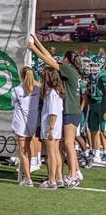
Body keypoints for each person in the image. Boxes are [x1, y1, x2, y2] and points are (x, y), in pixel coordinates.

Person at [28, 34, 82, 188]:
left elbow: (49, 61)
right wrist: (37, 42)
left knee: (69, 144)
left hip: (71, 111)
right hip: (72, 110)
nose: (61, 60)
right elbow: (50, 58)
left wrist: (33, 48)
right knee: (63, 144)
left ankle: (74, 174)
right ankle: (70, 173)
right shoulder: (71, 71)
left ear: (68, 60)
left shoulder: (69, 70)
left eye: (63, 58)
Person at [11, 66, 40, 186]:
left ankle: (28, 178)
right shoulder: (38, 89)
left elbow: (13, 103)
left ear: (21, 76)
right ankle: (29, 173)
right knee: (27, 148)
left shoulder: (17, 89)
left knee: (22, 151)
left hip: (21, 122)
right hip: (32, 121)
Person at [39, 67, 65, 189]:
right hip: (54, 126)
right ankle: (58, 178)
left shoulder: (52, 94)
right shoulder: (55, 91)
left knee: (51, 154)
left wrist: (51, 129)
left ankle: (52, 180)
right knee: (54, 152)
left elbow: (53, 112)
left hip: (51, 127)